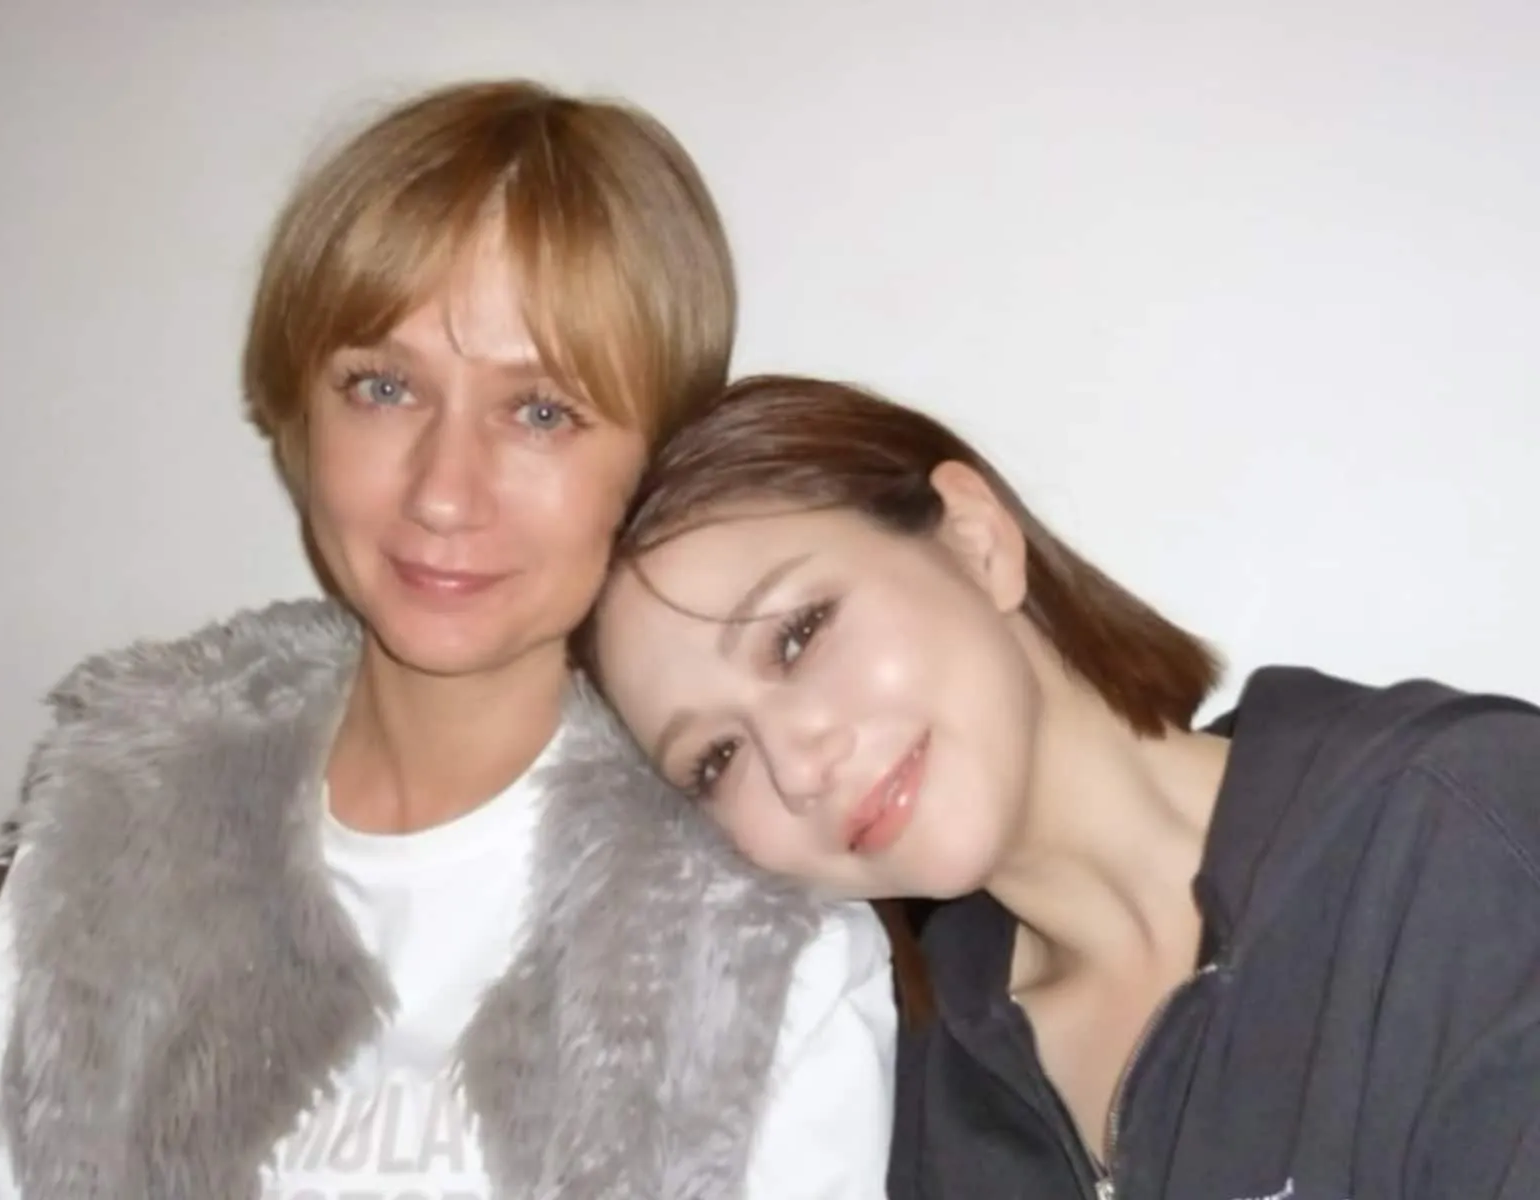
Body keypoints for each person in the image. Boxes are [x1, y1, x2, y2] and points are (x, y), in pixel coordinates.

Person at [0, 87, 896, 1199]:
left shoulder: (764, 946)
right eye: (384, 388)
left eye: (542, 411)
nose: (444, 492)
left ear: (658, 463)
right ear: (301, 417)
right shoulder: (108, 833)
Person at [582, 373, 1540, 1200]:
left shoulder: (1454, 832)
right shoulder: (894, 1097)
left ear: (975, 541)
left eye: (798, 634)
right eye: (715, 760)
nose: (798, 766)